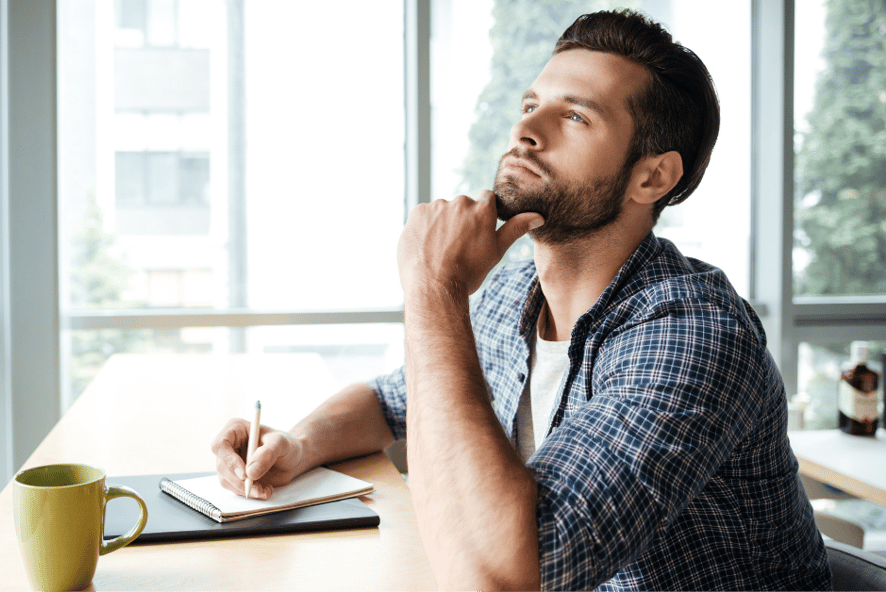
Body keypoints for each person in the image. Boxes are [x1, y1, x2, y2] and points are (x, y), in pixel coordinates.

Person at [211, 9, 832, 591]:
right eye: (532, 104)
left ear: (653, 177)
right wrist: (297, 444)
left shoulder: (694, 335)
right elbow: (394, 400)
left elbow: (506, 573)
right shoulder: (513, 290)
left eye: (575, 117)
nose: (525, 130)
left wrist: (434, 289)